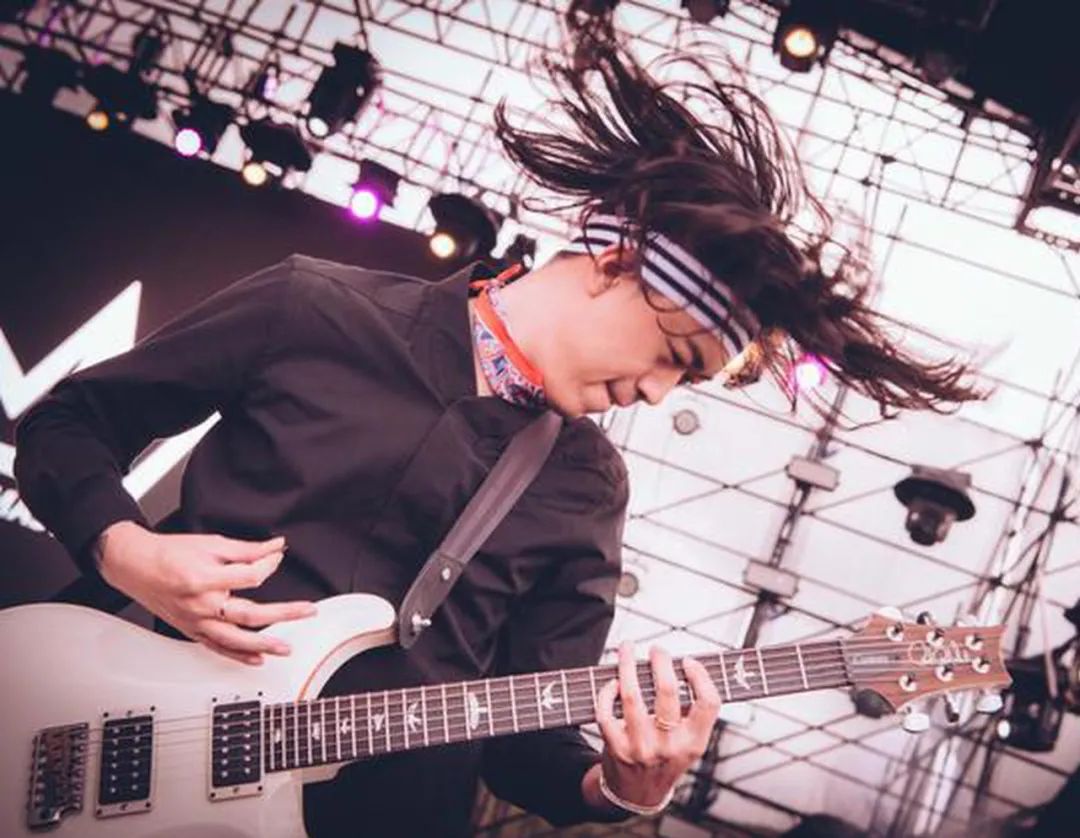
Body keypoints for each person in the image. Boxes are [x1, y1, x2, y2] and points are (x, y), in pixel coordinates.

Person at [13, 30, 983, 838]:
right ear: (619, 259)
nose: (654, 395)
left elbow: (529, 739)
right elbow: (68, 422)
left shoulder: (587, 487)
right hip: (114, 745)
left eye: (684, 383)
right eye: (674, 356)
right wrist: (126, 549)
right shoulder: (316, 306)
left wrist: (624, 784)